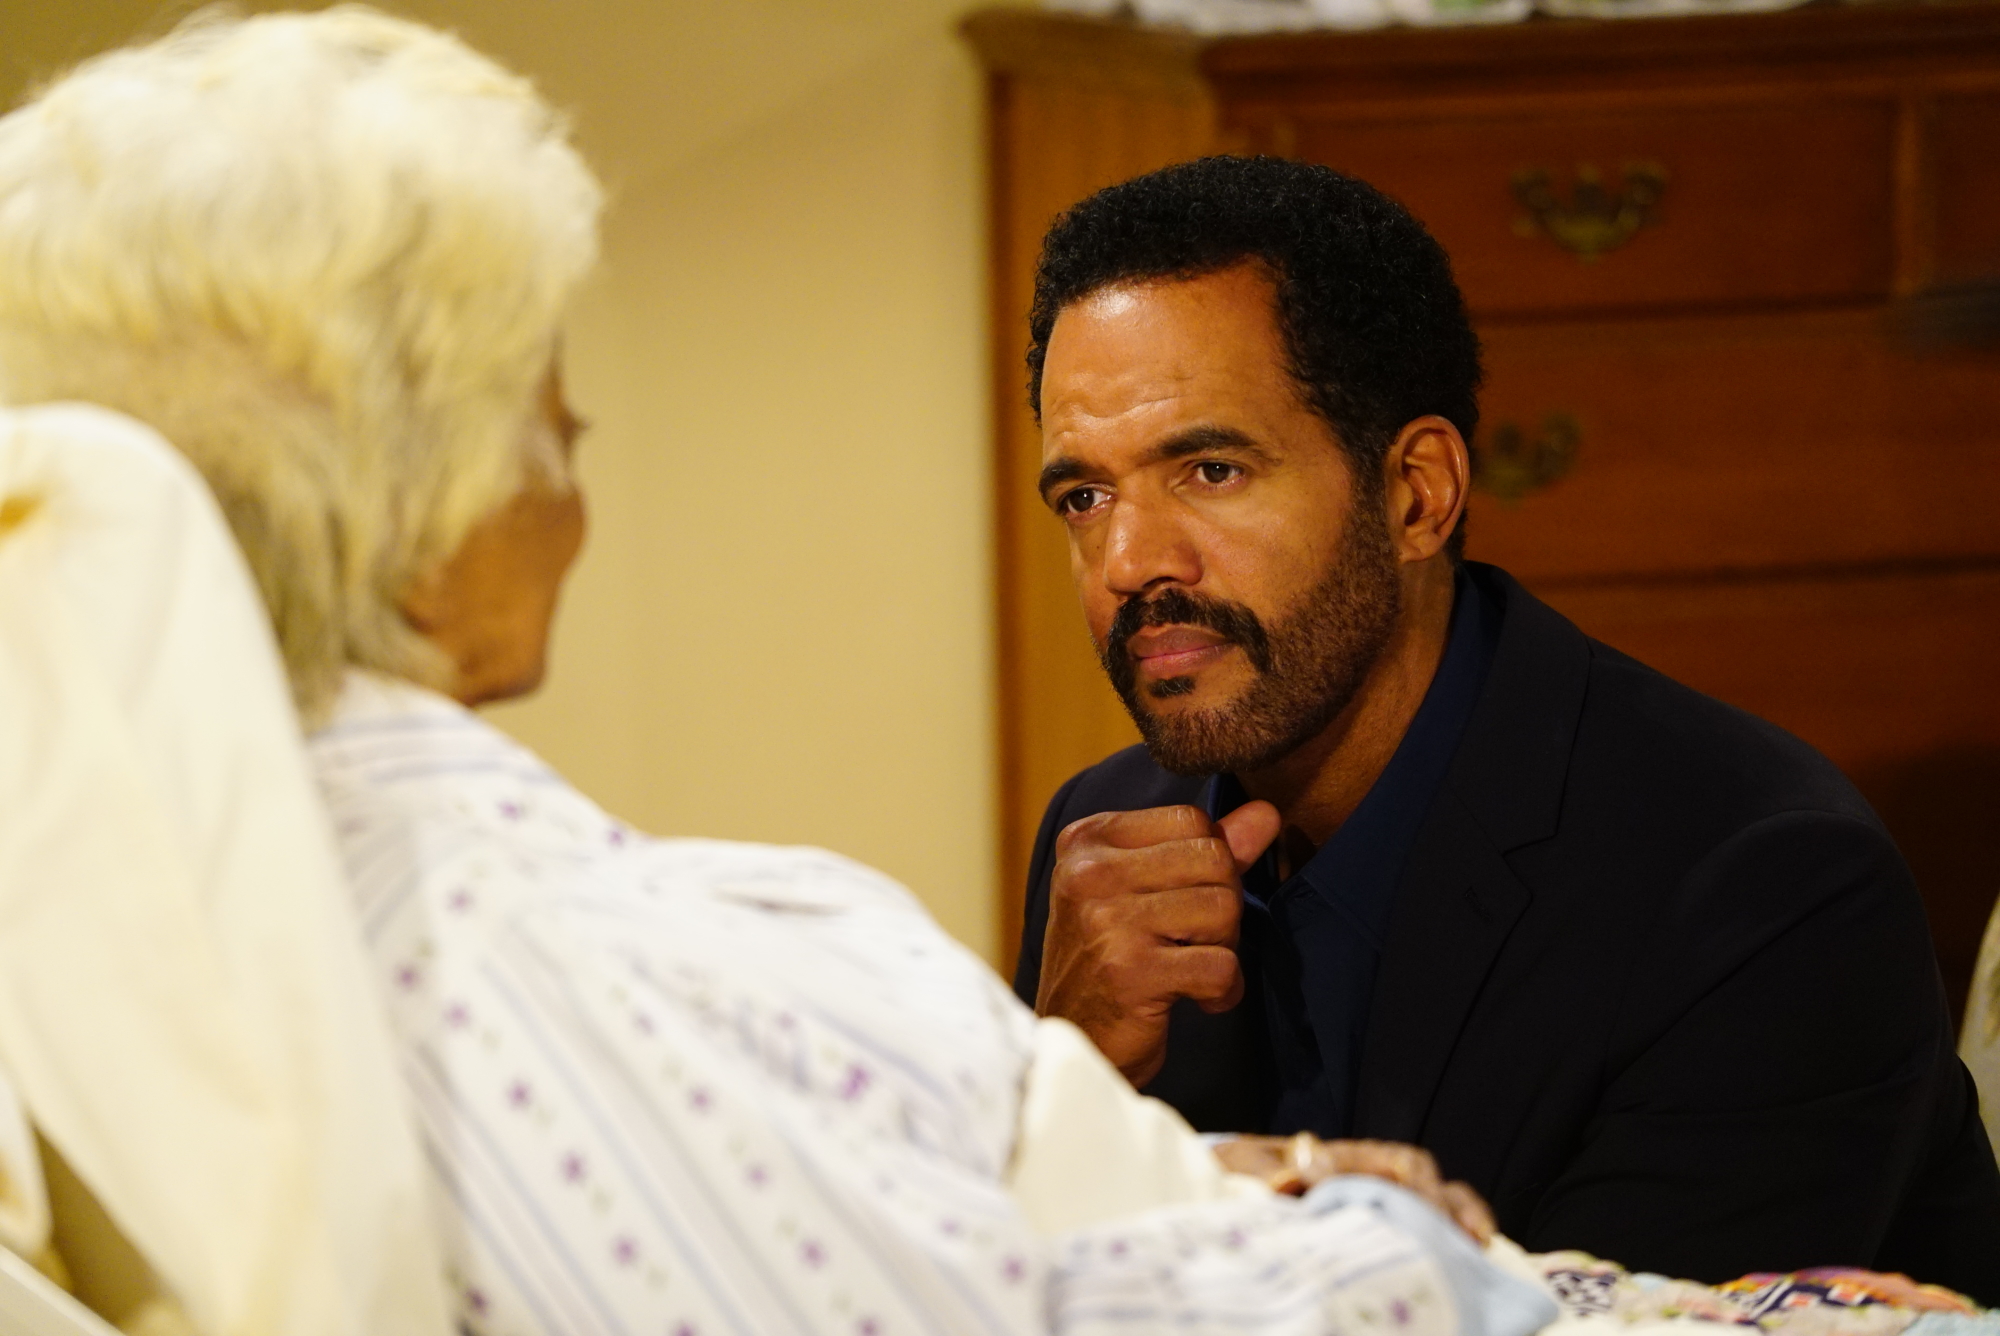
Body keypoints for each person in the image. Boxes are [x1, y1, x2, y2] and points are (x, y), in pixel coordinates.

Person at [0, 12, 1551, 1335]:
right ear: (414, 499)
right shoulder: (589, 974)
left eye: (1205, 469)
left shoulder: (91, 910)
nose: (581, 460)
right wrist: (1390, 1240)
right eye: (543, 401)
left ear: (1419, 491)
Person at [1008, 155, 2000, 1300]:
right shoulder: (1101, 833)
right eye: (1084, 497)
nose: (1129, 561)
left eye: (1211, 469)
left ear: (1416, 493)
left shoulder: (1760, 890)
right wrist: (1065, 1078)